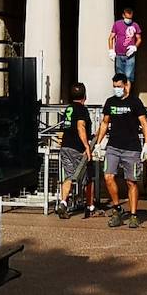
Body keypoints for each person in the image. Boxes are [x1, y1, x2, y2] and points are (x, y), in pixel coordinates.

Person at [95, 73, 147, 229]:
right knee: (108, 176)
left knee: (131, 181)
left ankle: (133, 215)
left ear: (126, 85)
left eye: (119, 86)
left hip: (132, 148)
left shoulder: (135, 102)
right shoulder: (110, 102)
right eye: (114, 87)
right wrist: (99, 144)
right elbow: (105, 123)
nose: (116, 89)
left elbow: (144, 123)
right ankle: (117, 209)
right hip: (113, 146)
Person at [56, 82, 92, 220]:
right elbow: (81, 127)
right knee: (87, 177)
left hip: (65, 146)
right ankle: (89, 206)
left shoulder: (68, 109)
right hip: (78, 147)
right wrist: (87, 146)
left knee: (69, 176)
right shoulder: (82, 109)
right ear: (85, 96)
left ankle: (63, 202)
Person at [108, 7, 142, 81]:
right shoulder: (117, 24)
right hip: (119, 54)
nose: (129, 20)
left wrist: (134, 47)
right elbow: (111, 38)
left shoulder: (135, 25)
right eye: (127, 17)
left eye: (130, 18)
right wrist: (111, 51)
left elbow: (139, 39)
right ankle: (121, 92)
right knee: (120, 77)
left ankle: (127, 93)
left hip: (130, 55)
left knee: (128, 76)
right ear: (123, 15)